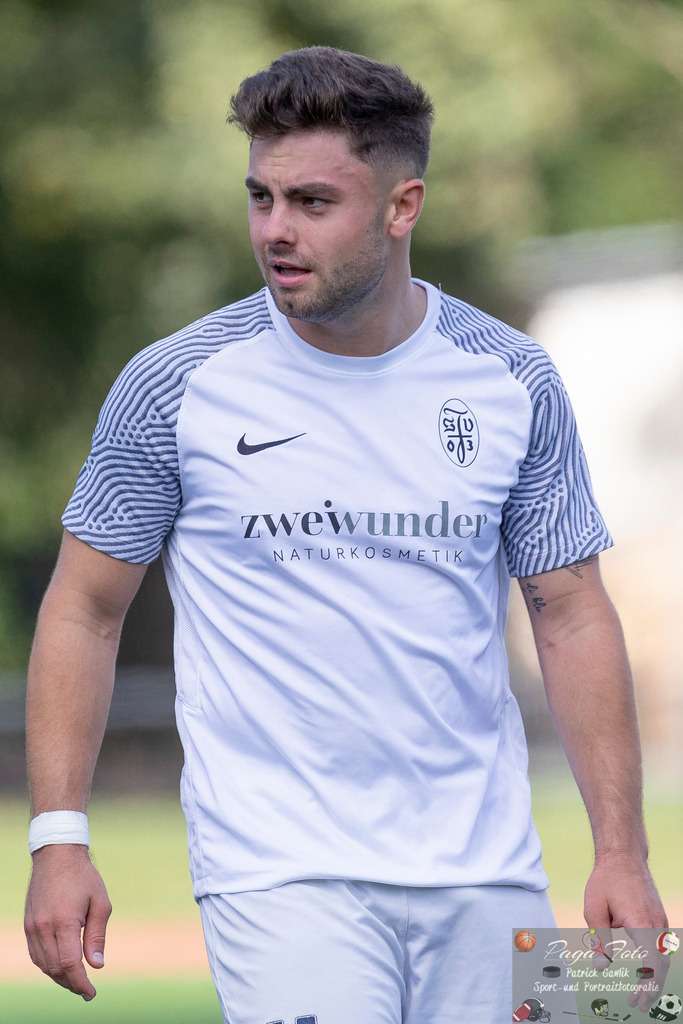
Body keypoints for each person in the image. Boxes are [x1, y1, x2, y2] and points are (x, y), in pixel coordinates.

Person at [24, 46, 667, 1023]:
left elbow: (572, 615)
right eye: (259, 198)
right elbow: (83, 609)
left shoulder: (511, 379)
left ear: (402, 206)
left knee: (631, 1003)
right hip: (279, 876)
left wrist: (620, 850)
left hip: (487, 869)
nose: (274, 231)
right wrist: (58, 838)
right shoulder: (175, 385)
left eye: (311, 203)